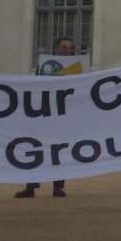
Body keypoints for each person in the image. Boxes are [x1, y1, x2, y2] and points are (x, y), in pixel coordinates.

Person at [15, 36, 75, 198]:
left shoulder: (75, 68)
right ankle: (30, 185)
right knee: (35, 148)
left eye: (69, 48)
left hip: (62, 114)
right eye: (64, 47)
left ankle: (58, 186)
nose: (67, 51)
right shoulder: (45, 65)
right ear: (56, 48)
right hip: (43, 112)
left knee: (59, 150)